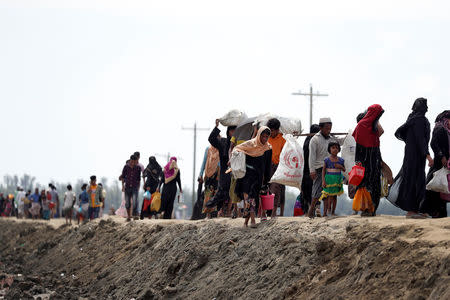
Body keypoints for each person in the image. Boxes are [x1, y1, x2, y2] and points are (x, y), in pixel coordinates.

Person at [390, 98, 434, 218]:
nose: (427, 108)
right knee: (415, 180)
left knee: (414, 180)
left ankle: (416, 209)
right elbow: (420, 139)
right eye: (425, 105)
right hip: (415, 156)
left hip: (412, 155)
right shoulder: (419, 120)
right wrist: (428, 156)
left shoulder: (412, 119)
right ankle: (412, 210)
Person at [234, 126, 272, 228]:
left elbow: (268, 166)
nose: (264, 139)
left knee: (252, 198)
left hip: (258, 177)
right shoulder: (250, 144)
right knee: (249, 199)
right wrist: (234, 157)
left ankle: (246, 222)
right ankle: (253, 220)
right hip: (246, 175)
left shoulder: (268, 148)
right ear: (259, 135)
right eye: (262, 136)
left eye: (266, 137)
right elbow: (238, 148)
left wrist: (267, 180)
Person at [307, 118, 345, 218]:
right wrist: (312, 170)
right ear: (321, 128)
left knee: (328, 192)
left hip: (330, 169)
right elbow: (312, 156)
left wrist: (349, 136)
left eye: (330, 128)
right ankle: (311, 211)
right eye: (327, 128)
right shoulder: (315, 139)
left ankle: (325, 213)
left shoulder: (332, 138)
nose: (329, 130)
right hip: (319, 168)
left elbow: (340, 142)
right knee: (317, 192)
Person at [352, 104, 385, 216]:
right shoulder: (362, 125)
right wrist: (358, 162)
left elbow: (381, 132)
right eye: (378, 114)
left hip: (374, 160)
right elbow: (359, 145)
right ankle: (365, 209)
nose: (379, 117)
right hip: (364, 161)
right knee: (365, 185)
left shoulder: (374, 126)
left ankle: (373, 209)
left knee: (376, 186)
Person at [205, 120, 237, 217]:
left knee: (233, 191)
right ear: (228, 132)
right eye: (231, 131)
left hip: (236, 171)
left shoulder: (238, 143)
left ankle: (230, 212)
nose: (233, 133)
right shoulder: (223, 142)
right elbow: (211, 139)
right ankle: (220, 209)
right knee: (223, 189)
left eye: (235, 131)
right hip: (224, 171)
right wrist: (216, 127)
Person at [423, 110, 450, 218]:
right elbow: (434, 143)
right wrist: (442, 155)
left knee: (442, 188)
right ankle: (432, 212)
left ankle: (440, 214)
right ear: (446, 119)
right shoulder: (439, 128)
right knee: (433, 187)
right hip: (439, 163)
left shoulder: (447, 130)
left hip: (445, 164)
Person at [267, 118, 286, 218]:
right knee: (268, 189)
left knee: (276, 189)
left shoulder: (283, 139)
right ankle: (268, 211)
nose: (271, 133)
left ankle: (275, 212)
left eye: (273, 130)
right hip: (268, 167)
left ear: (277, 130)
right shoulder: (266, 138)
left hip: (279, 167)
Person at [320, 142, 345, 216]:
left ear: (339, 149)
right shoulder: (327, 160)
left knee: (335, 196)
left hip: (337, 180)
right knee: (328, 196)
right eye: (333, 148)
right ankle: (326, 211)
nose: (335, 149)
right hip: (329, 180)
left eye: (337, 148)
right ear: (329, 149)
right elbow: (323, 170)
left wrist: (340, 167)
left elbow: (344, 170)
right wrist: (323, 181)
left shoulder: (341, 160)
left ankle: (333, 212)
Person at [301, 124, 320, 216]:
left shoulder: (307, 141)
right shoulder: (315, 141)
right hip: (313, 169)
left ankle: (310, 208)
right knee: (316, 188)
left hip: (307, 170)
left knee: (308, 189)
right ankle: (315, 208)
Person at [121, 155, 142, 221]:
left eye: (135, 162)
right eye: (133, 161)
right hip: (127, 187)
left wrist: (138, 187)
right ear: (131, 160)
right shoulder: (126, 167)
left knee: (135, 201)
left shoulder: (138, 168)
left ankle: (135, 215)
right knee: (127, 203)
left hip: (135, 187)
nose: (134, 163)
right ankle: (129, 216)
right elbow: (123, 177)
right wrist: (123, 186)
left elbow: (139, 179)